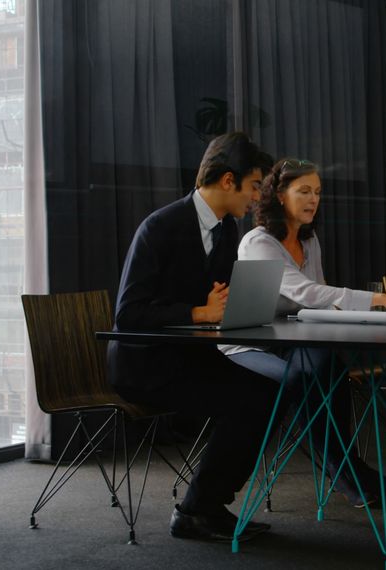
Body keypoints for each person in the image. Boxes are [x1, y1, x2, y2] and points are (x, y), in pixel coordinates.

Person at [106, 132, 278, 542]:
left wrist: (234, 311)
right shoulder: (159, 227)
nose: (257, 197)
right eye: (254, 186)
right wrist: (198, 312)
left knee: (273, 388)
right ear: (228, 181)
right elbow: (128, 315)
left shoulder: (226, 230)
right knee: (250, 398)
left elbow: (213, 304)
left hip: (188, 355)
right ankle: (198, 509)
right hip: (143, 363)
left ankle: (207, 504)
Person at [221, 157, 386, 507]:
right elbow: (306, 293)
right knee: (305, 376)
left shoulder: (309, 241)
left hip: (289, 338)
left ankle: (349, 468)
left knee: (329, 363)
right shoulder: (259, 242)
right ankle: (345, 473)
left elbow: (319, 301)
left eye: (317, 192)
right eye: (304, 191)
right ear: (280, 195)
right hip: (249, 343)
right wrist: (375, 299)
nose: (313, 199)